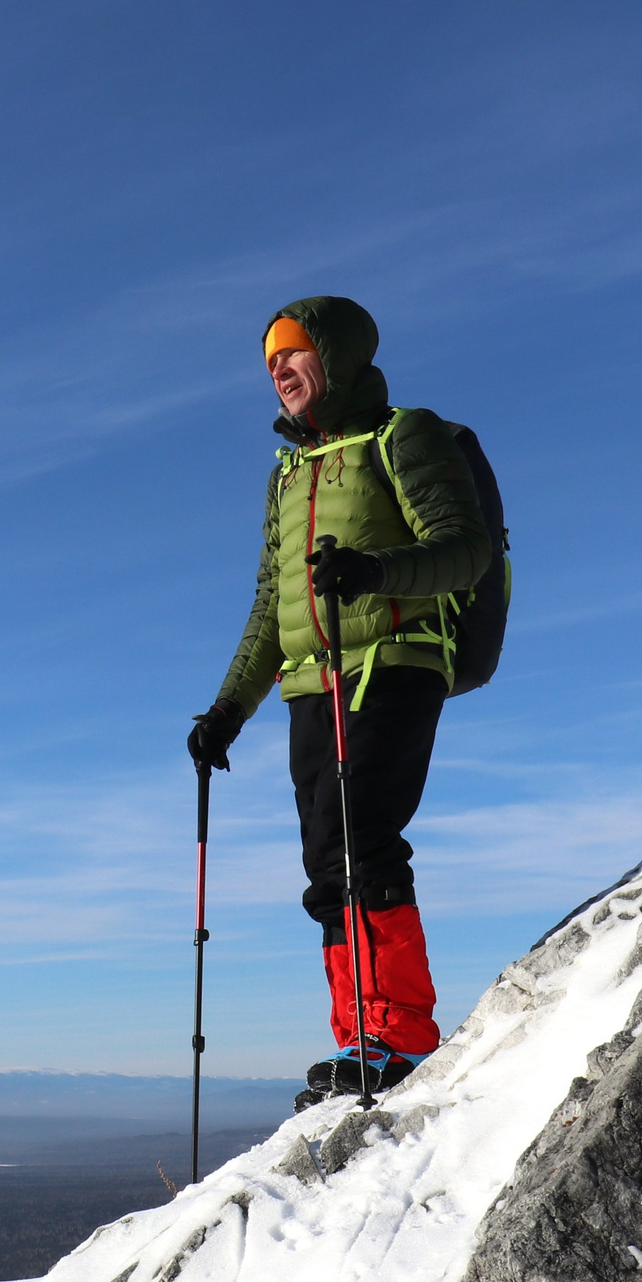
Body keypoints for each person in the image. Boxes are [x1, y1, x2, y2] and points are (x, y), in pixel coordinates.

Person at [186, 297, 491, 1102]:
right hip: (309, 686)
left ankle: (398, 1036)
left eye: (293, 353)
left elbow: (464, 551)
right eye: (269, 362)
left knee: (362, 839)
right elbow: (268, 606)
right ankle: (361, 1034)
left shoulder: (405, 436)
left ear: (337, 354)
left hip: (393, 663)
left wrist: (376, 572)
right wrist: (227, 710)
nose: (278, 370)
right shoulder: (286, 476)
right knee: (328, 858)